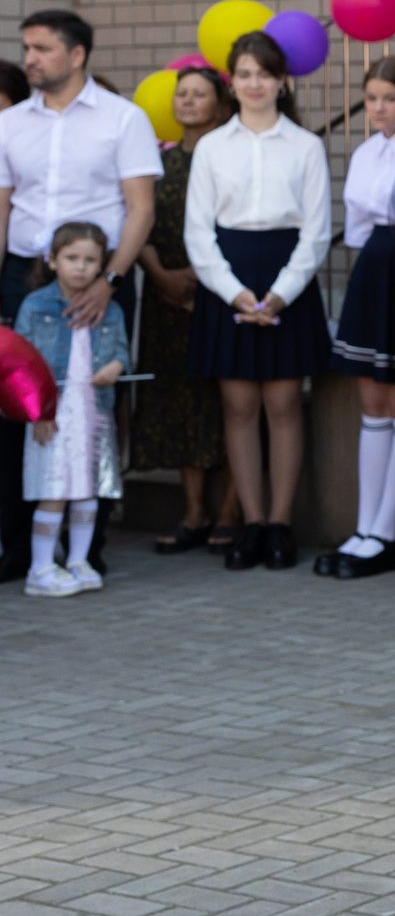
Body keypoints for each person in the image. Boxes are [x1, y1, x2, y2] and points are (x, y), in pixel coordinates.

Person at [0, 9, 161, 582]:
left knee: (95, 404)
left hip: (101, 274)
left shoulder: (124, 118)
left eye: (41, 48)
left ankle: (86, 545)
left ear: (76, 55)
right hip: (23, 274)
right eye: (27, 47)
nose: (30, 58)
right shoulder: (10, 123)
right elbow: (2, 207)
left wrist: (108, 280)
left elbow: (141, 208)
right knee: (17, 408)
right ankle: (19, 545)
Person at [185, 30, 333, 572]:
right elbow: (198, 232)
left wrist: (279, 294)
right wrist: (236, 293)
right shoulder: (211, 146)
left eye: (264, 74)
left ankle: (279, 523)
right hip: (229, 277)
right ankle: (250, 521)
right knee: (239, 406)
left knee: (284, 404)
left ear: (282, 81)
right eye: (244, 74)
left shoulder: (306, 145)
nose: (254, 84)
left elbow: (317, 231)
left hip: (285, 277)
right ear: (232, 82)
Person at [319, 57, 395, 579]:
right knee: (372, 399)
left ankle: (385, 534)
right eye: (371, 99)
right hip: (374, 266)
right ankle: (363, 528)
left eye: (390, 98)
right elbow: (359, 226)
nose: (379, 108)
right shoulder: (366, 151)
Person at [137, 66, 237, 554]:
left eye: (199, 94)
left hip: (223, 295)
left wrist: (205, 280)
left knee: (229, 403)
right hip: (166, 300)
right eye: (182, 94)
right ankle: (193, 511)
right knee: (180, 402)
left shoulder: (231, 154)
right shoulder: (158, 163)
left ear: (220, 103)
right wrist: (161, 276)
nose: (188, 102)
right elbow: (137, 222)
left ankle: (231, 513)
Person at [16, 221, 129, 596]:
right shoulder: (35, 306)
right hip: (52, 417)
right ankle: (40, 567)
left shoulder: (111, 309)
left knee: (86, 488)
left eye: (90, 260)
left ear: (102, 265)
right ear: (52, 260)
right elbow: (21, 366)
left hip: (92, 415)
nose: (80, 267)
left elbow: (122, 353)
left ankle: (78, 560)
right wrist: (38, 411)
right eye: (71, 257)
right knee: (54, 487)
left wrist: (115, 367)